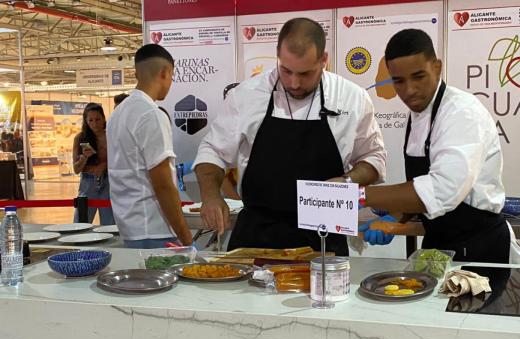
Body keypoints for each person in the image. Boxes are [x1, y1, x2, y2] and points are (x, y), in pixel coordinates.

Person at [193, 18, 386, 256]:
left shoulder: (351, 98)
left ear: (324, 60)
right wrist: (210, 195)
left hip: (324, 242)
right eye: (286, 71)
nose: (294, 83)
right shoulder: (246, 96)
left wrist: (348, 181)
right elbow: (212, 151)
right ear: (277, 56)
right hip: (256, 237)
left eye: (305, 73)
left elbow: (374, 158)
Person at [358, 29, 515, 264]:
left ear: (437, 67)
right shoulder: (418, 115)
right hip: (439, 244)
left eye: (418, 76)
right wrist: (396, 217)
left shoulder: (462, 112)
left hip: (478, 249)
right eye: (398, 81)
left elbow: (442, 190)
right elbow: (423, 184)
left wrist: (357, 196)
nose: (409, 90)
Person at [107, 44, 192, 248]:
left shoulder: (117, 114)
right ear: (165, 72)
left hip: (130, 228)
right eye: (172, 76)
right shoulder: (151, 114)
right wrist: (185, 236)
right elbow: (162, 184)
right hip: (154, 228)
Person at [72, 103, 115, 225]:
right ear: (86, 121)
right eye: (90, 120)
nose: (95, 124)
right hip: (88, 182)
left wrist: (104, 164)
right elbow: (76, 169)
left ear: (104, 118)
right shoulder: (80, 138)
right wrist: (84, 157)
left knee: (109, 225)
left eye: (98, 119)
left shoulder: (111, 136)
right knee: (80, 224)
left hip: (108, 182)